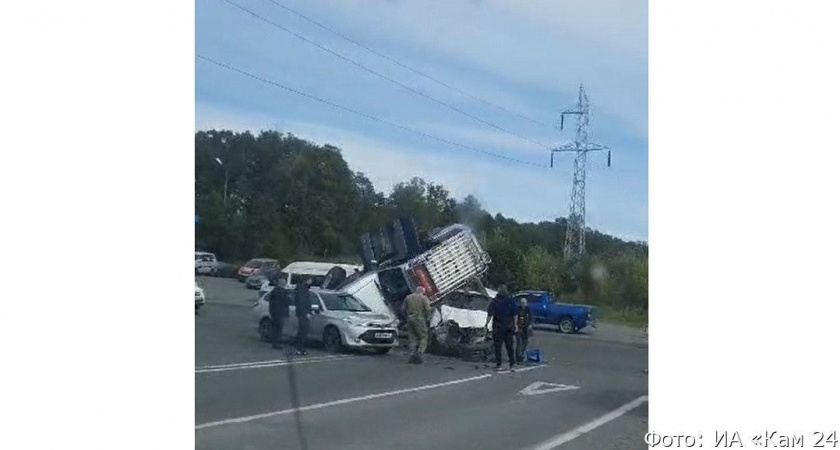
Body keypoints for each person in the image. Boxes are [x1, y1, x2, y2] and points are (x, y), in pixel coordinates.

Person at [485, 285, 517, 371]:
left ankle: (499, 364)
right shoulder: (510, 300)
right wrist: (515, 325)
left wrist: (486, 324)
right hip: (508, 326)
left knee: (498, 346)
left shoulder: (495, 301)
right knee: (510, 346)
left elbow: (489, 314)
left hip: (498, 327)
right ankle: (512, 364)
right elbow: (515, 314)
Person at [402, 286, 431, 364]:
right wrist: (428, 319)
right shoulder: (424, 298)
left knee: (412, 337)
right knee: (423, 336)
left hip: (409, 318)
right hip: (419, 318)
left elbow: (403, 309)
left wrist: (406, 317)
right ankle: (420, 353)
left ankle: (411, 355)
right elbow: (428, 309)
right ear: (422, 291)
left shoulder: (408, 297)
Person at [293, 278, 314, 356]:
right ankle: (299, 348)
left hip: (302, 313)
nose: (311, 282)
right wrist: (306, 313)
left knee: (303, 332)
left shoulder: (304, 289)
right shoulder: (302, 289)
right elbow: (302, 302)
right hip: (303, 314)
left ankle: (299, 348)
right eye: (310, 280)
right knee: (302, 332)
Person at [514, 297, 533, 363]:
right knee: (519, 342)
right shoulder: (517, 309)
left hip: (526, 328)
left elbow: (531, 318)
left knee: (525, 342)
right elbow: (515, 317)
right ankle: (518, 356)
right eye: (522, 303)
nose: (523, 304)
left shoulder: (528, 309)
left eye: (524, 303)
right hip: (519, 327)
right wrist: (515, 325)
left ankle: (522, 354)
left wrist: (530, 325)